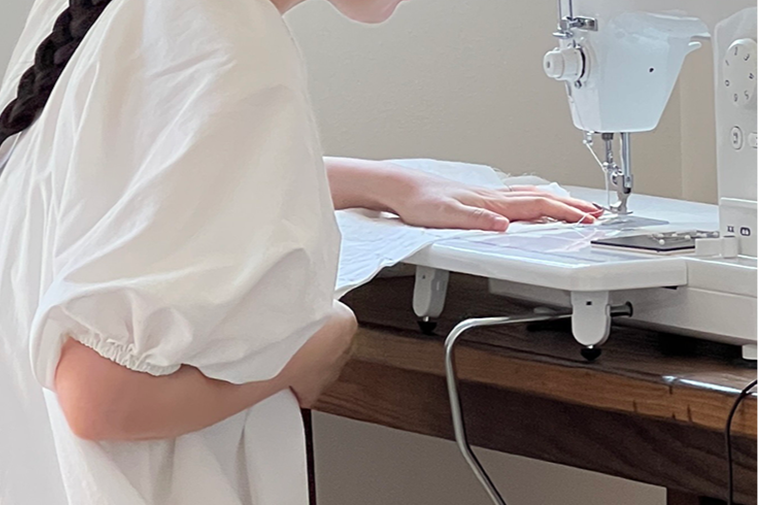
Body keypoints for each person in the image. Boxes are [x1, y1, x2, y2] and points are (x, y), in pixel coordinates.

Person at [0, 0, 600, 503]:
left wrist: (384, 184)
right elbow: (102, 399)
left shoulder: (129, 15)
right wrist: (313, 348)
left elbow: (140, 177)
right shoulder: (230, 45)